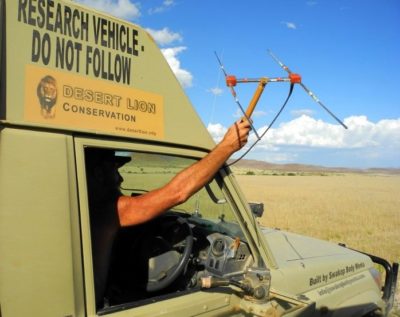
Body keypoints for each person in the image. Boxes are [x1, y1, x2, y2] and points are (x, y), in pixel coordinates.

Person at [85, 119, 251, 308]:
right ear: (98, 173)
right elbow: (177, 193)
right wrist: (227, 146)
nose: (121, 178)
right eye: (114, 169)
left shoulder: (84, 206)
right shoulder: (107, 210)